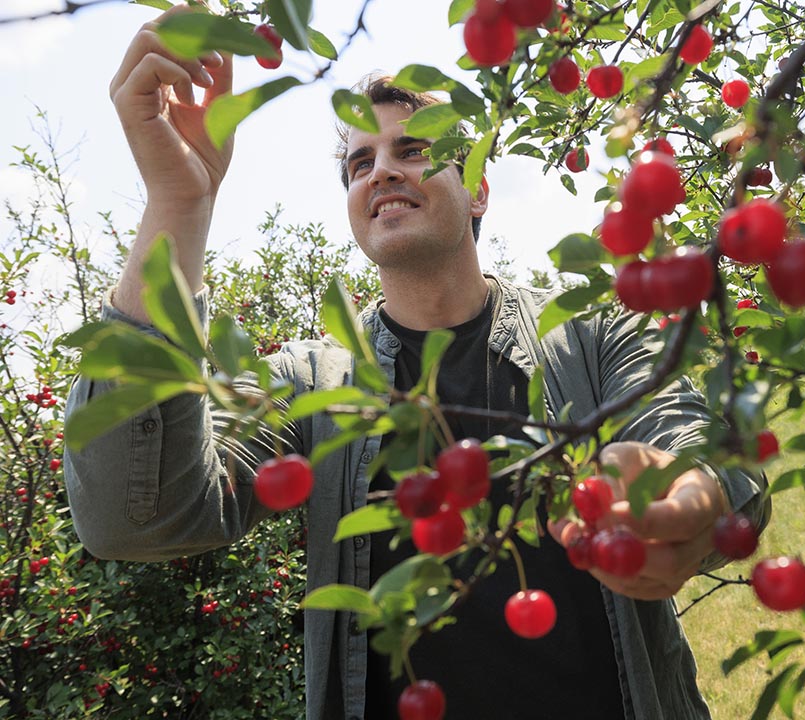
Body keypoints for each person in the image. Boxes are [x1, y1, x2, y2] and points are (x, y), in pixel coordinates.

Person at [65, 5, 768, 719]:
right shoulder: (315, 384)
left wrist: (697, 495)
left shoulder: (591, 332)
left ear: (479, 188)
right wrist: (179, 203)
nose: (382, 173)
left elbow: (698, 440)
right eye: (359, 163)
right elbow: (133, 518)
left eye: (413, 150)